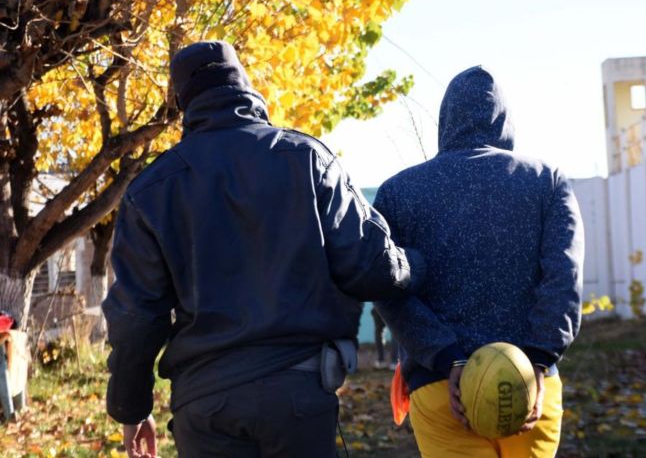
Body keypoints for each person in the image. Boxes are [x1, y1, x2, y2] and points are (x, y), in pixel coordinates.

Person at [102, 41, 425, 458]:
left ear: (182, 101)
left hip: (204, 402)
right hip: (297, 394)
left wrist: (131, 408)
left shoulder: (150, 190)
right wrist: (419, 263)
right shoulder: (307, 159)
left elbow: (135, 317)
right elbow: (372, 268)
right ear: (244, 84)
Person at [374, 66, 584, 457]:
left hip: (439, 389)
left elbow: (387, 288)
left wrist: (447, 357)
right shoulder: (547, 181)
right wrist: (538, 360)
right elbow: (564, 278)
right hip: (528, 387)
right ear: (505, 121)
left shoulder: (396, 192)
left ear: (445, 121)